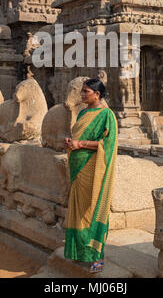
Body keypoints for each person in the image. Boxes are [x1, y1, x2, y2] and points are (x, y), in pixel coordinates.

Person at [64, 78, 118, 273]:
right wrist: (72, 142)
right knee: (79, 212)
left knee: (93, 209)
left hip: (94, 169)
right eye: (82, 91)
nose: (82, 94)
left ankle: (97, 258)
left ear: (97, 94)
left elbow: (107, 145)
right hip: (77, 168)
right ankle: (80, 253)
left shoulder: (107, 115)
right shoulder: (83, 113)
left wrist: (81, 144)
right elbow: (80, 136)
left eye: (86, 91)